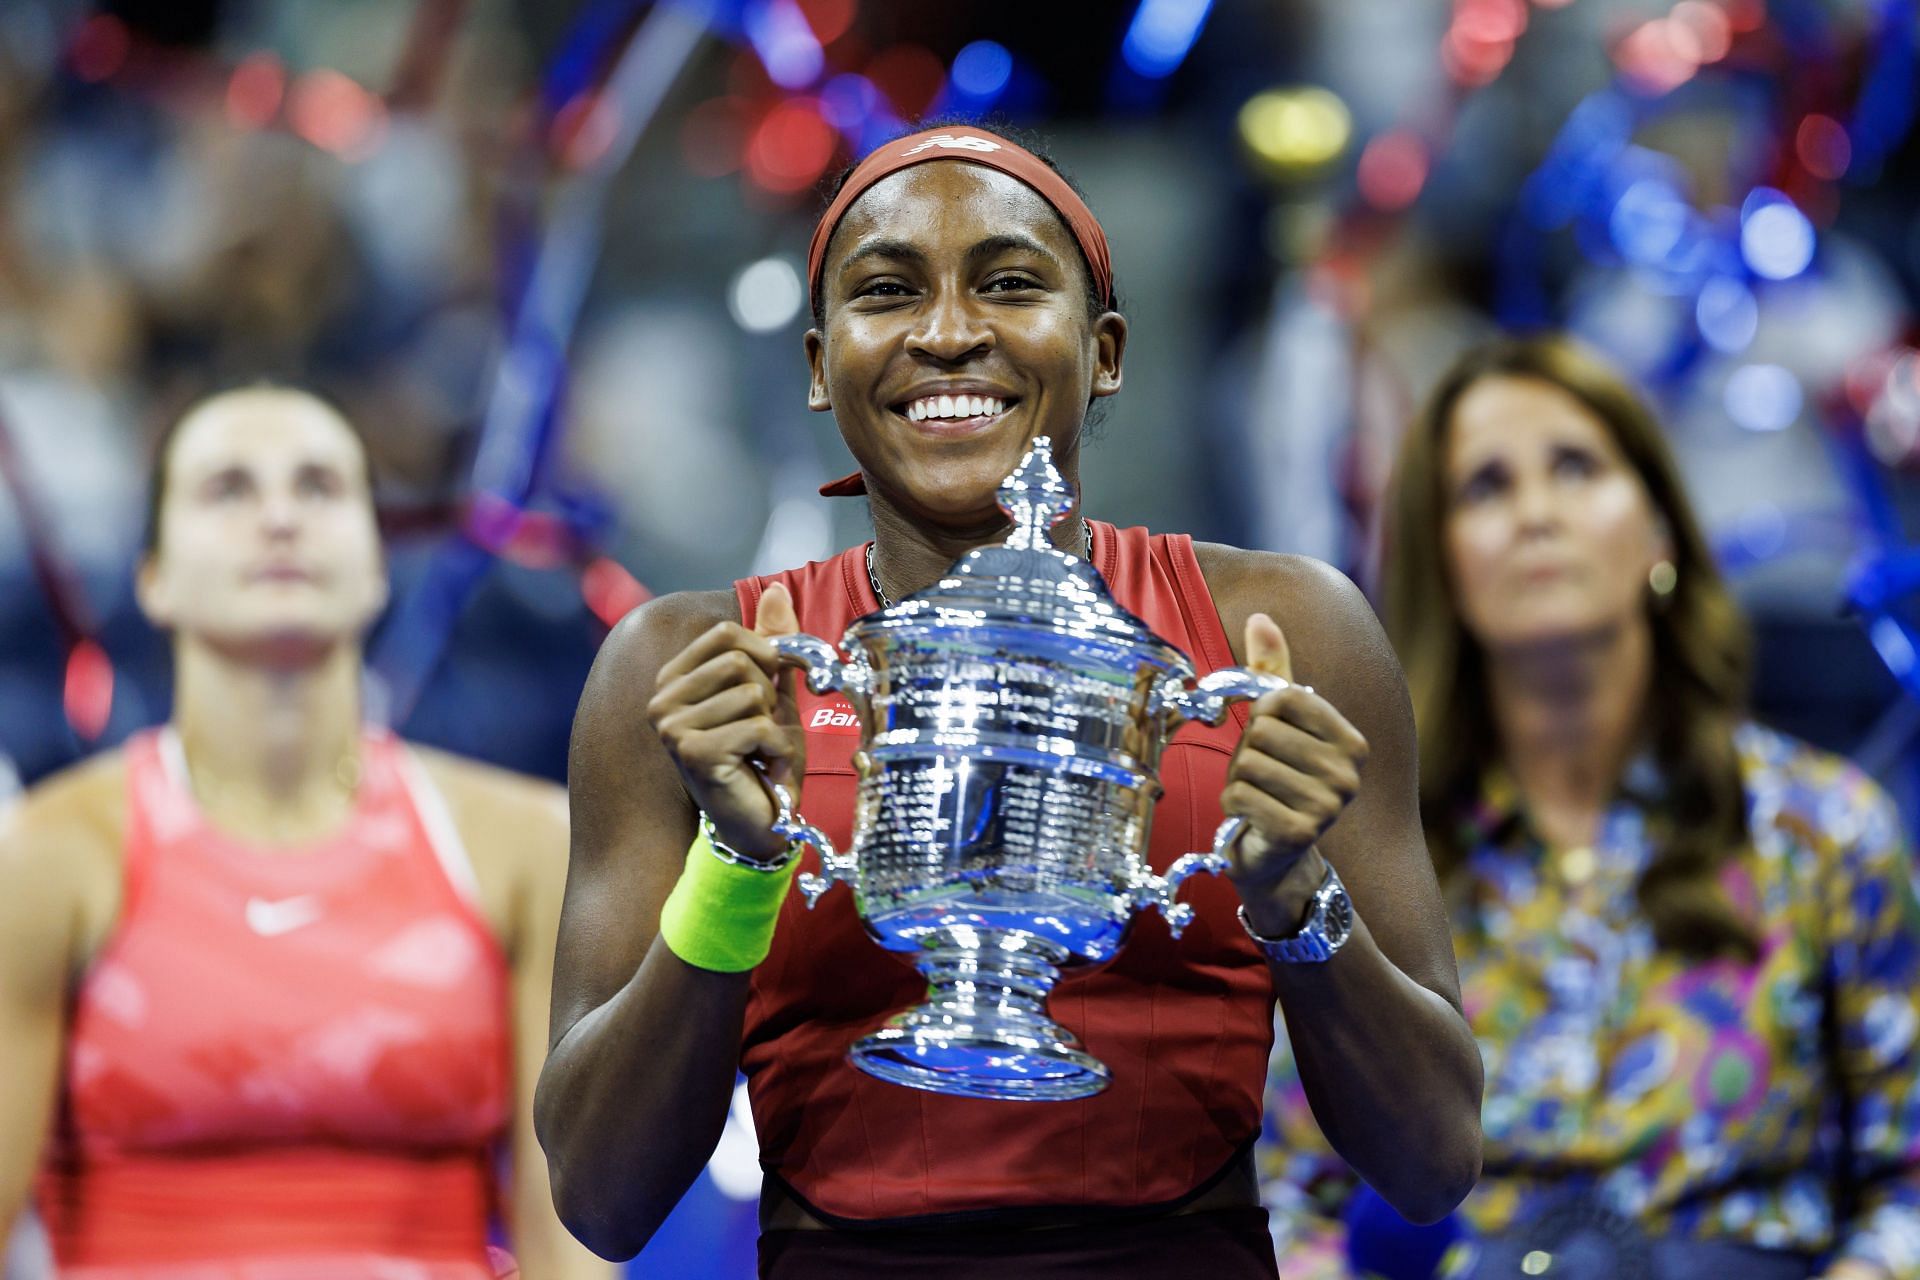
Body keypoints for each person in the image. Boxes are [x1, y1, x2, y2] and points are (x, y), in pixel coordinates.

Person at [536, 123, 1483, 1277]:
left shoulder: (1280, 630)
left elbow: (1434, 1154)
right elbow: (600, 1194)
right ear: (818, 362)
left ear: (1108, 349)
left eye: (1011, 284)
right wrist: (736, 863)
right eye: (888, 292)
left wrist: (1297, 897)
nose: (947, 333)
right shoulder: (687, 665)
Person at [1260, 335, 1920, 1280]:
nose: (1536, 513)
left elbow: (1910, 1189)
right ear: (1442, 564)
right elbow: (1291, 1201)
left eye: (1575, 467)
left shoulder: (1826, 832)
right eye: (1486, 487)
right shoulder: (1378, 858)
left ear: (1659, 530)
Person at [0, 387, 612, 1279]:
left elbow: (573, 1244)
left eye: (319, 487)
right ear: (152, 578)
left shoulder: (525, 845)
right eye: (229, 490)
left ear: (375, 564)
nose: (280, 517)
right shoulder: (48, 856)